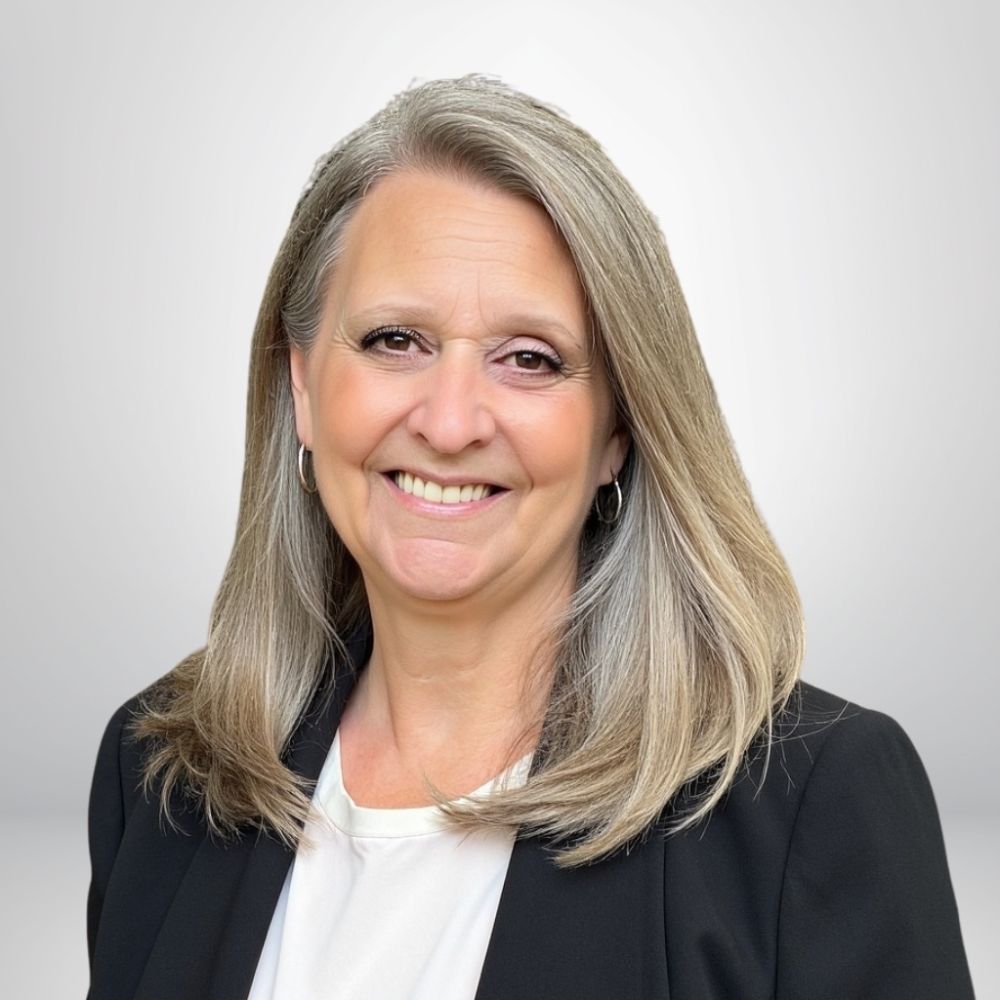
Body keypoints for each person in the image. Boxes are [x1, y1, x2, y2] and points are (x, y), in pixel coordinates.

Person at [86, 74, 975, 1000]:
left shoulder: (809, 804)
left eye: (529, 359)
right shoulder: (161, 775)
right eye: (396, 340)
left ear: (619, 432)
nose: (452, 419)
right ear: (304, 388)